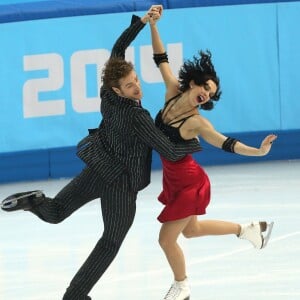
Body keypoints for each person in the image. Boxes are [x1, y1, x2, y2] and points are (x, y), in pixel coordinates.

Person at [1, 6, 201, 300]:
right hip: (120, 185)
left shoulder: (107, 96)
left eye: (136, 80)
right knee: (110, 242)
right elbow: (169, 151)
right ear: (118, 90)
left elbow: (118, 49)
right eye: (130, 85)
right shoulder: (138, 118)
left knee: (55, 212)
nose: (137, 87)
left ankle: (36, 201)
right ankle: (75, 296)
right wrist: (196, 141)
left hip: (98, 166)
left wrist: (143, 22)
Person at [149, 6, 277, 300]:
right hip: (174, 180)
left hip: (191, 182)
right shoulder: (171, 92)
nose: (207, 93)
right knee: (190, 231)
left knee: (166, 240)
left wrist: (258, 152)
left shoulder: (197, 122)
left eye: (211, 92)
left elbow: (226, 142)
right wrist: (152, 25)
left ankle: (182, 286)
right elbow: (161, 59)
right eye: (205, 86)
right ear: (193, 82)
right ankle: (250, 229)